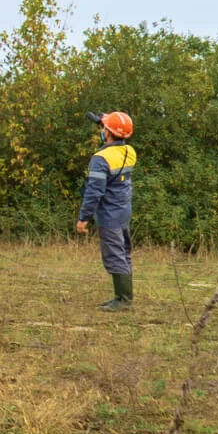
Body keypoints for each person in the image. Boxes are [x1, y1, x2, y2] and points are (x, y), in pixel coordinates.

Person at [77, 111, 137, 311]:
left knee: (114, 255)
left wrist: (84, 218)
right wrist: (106, 118)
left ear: (107, 132)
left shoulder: (100, 159)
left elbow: (95, 192)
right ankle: (124, 295)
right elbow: (117, 130)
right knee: (124, 252)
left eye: (104, 128)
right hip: (123, 211)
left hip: (109, 215)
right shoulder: (129, 152)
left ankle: (122, 300)